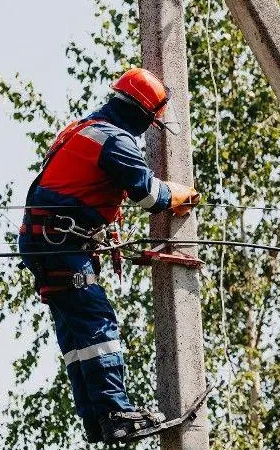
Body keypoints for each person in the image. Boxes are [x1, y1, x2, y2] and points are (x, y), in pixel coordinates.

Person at [17, 68, 200, 443]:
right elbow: (148, 195)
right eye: (151, 122)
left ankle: (97, 417)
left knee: (76, 332)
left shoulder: (83, 128)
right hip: (60, 242)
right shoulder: (116, 140)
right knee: (96, 324)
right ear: (142, 114)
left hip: (44, 240)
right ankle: (115, 412)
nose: (149, 130)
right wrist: (176, 193)